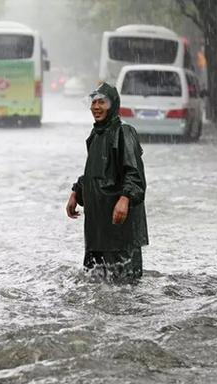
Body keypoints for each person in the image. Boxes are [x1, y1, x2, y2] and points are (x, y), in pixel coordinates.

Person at [66, 82, 148, 283]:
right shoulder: (95, 135)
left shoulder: (123, 133)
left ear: (113, 105)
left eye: (101, 102)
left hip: (121, 232)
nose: (96, 107)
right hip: (97, 230)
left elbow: (134, 174)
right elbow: (96, 174)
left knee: (125, 287)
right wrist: (76, 192)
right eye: (93, 102)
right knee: (95, 286)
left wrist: (125, 198)